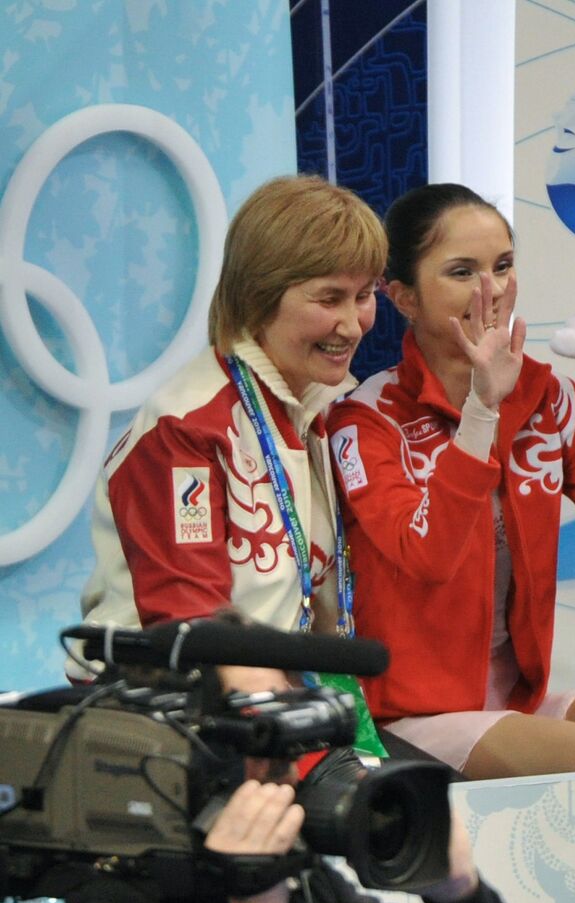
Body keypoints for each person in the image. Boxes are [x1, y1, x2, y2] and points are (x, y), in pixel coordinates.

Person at [326, 183, 575, 779]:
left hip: (516, 698)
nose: (491, 290)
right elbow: (427, 557)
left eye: (503, 266)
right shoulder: (367, 418)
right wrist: (481, 414)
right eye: (461, 272)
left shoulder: (550, 401)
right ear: (403, 297)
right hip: (409, 710)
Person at [75, 174, 387, 755]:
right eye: (329, 298)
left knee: (428, 823)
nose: (353, 324)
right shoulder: (185, 428)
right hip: (171, 723)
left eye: (364, 294)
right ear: (259, 295)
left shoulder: (313, 406)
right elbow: (191, 626)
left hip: (276, 711)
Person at [44, 664, 513, 903]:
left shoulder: (305, 887)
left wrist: (459, 901)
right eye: (260, 732)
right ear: (177, 754)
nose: (288, 763)